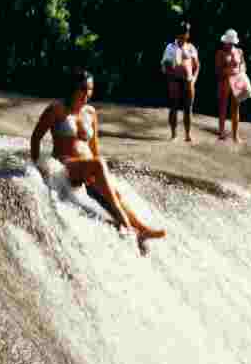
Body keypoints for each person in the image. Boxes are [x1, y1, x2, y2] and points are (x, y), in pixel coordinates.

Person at [31, 69, 166, 251]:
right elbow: (36, 137)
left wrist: (102, 175)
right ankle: (125, 221)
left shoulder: (90, 113)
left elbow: (94, 147)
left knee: (114, 193)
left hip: (89, 168)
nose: (87, 94)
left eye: (90, 90)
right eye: (83, 89)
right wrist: (38, 165)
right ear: (73, 88)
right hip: (66, 166)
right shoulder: (56, 109)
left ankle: (141, 230)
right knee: (99, 164)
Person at [161, 21, 200, 142]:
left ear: (188, 34)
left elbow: (197, 65)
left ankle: (188, 134)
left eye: (186, 32)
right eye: (182, 32)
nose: (184, 35)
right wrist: (172, 75)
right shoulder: (170, 47)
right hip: (174, 80)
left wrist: (194, 78)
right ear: (177, 34)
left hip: (188, 80)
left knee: (188, 108)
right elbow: (165, 64)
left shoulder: (191, 47)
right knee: (174, 106)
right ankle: (174, 134)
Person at [215, 29, 247, 142]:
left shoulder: (239, 51)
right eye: (228, 42)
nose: (228, 44)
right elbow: (217, 70)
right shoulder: (220, 53)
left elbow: (243, 65)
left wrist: (240, 72)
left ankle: (235, 135)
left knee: (236, 108)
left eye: (231, 42)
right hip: (224, 81)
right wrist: (228, 71)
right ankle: (221, 133)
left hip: (237, 81)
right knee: (223, 107)